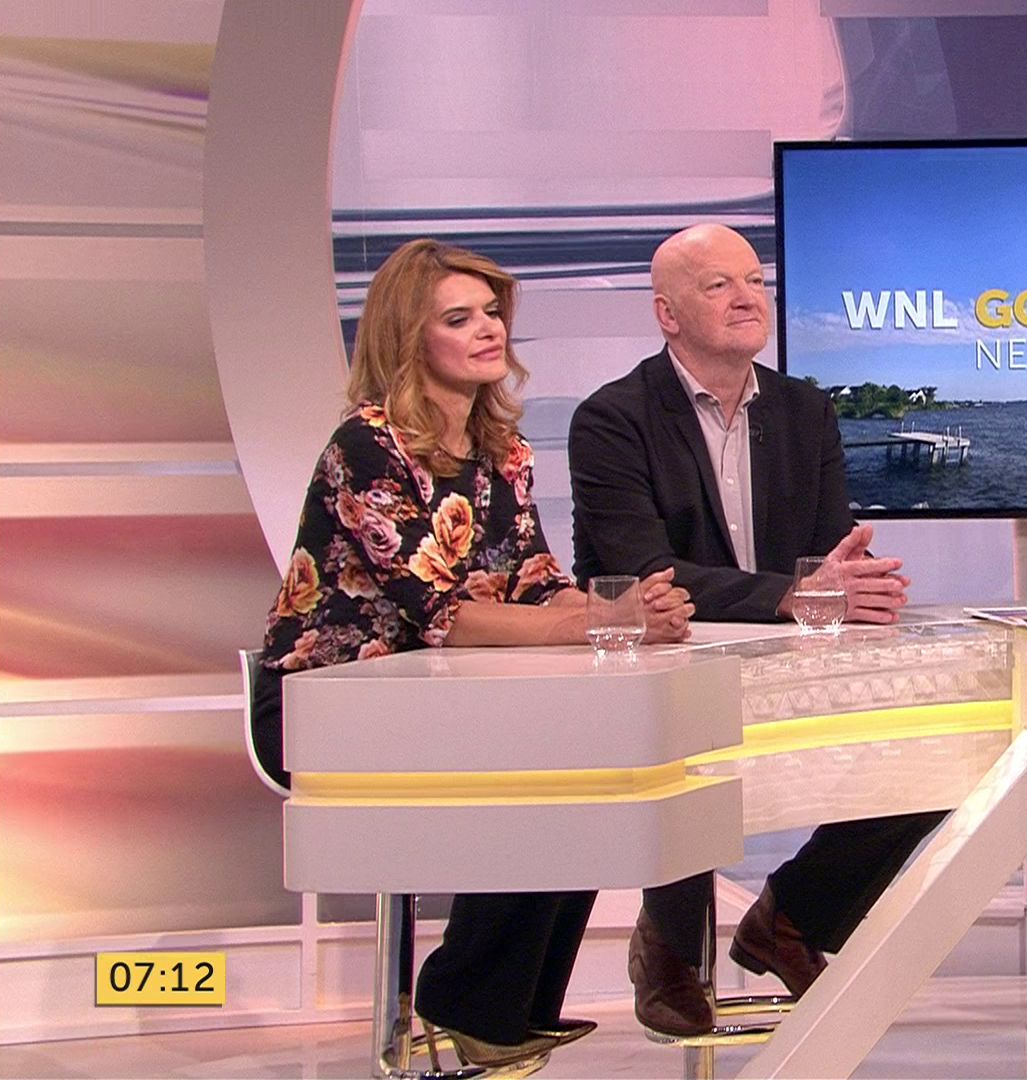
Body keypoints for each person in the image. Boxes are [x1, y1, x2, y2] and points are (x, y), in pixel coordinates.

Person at [254, 239, 694, 1072]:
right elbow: (442, 613)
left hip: (446, 694)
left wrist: (627, 615)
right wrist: (594, 625)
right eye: (459, 319)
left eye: (492, 313)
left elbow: (536, 583)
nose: (489, 329)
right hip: (327, 704)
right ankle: (467, 995)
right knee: (550, 762)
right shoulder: (367, 446)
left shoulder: (504, 448)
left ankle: (509, 1004)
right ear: (408, 338)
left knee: (601, 759)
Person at [567, 223, 940, 1037]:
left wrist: (851, 587)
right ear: (667, 314)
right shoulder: (612, 419)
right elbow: (643, 576)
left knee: (936, 748)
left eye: (754, 281)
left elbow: (826, 560)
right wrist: (798, 595)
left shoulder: (805, 410)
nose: (747, 299)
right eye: (719, 285)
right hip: (667, 662)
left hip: (785, 653)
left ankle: (793, 916)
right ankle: (669, 944)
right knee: (684, 744)